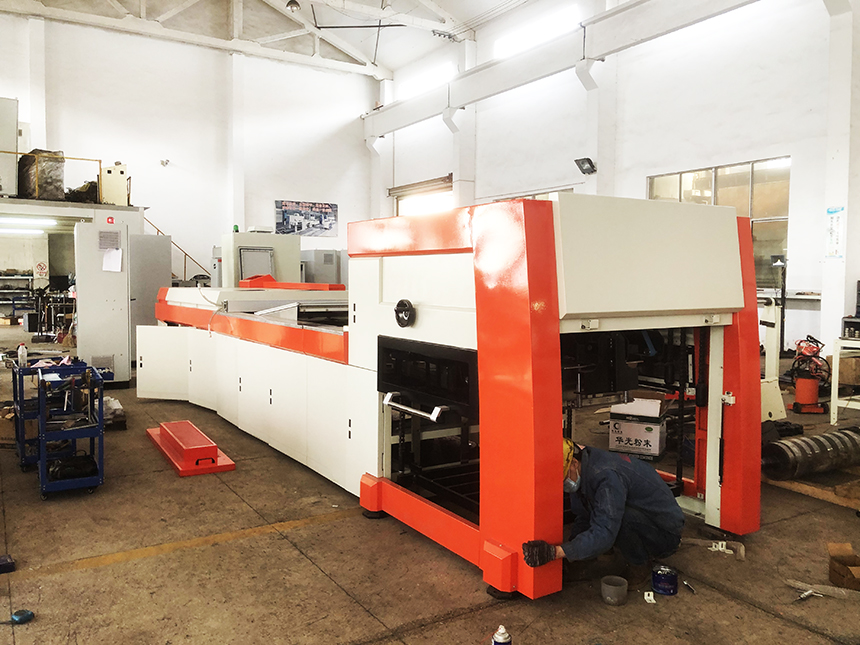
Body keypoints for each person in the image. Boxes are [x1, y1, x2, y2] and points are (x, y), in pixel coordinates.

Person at [522, 440, 684, 581]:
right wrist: (570, 553)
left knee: (620, 520)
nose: (564, 485)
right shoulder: (584, 467)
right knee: (601, 516)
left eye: (563, 479)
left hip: (665, 533)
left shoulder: (605, 476)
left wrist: (557, 552)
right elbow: (583, 516)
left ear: (574, 463)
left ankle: (639, 564)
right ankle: (598, 552)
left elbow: (605, 531)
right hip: (644, 517)